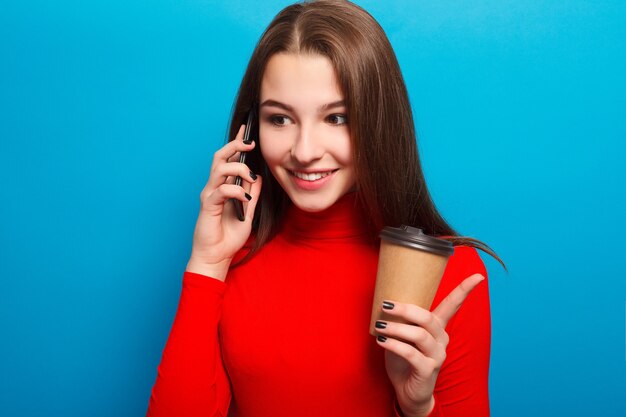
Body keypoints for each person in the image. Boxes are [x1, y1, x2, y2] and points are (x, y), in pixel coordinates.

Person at [147, 1, 505, 416]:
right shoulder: (232, 258)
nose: (305, 151)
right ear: (251, 130)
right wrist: (207, 264)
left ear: (378, 122)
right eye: (279, 119)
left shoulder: (449, 271)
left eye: (336, 118)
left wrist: (417, 407)